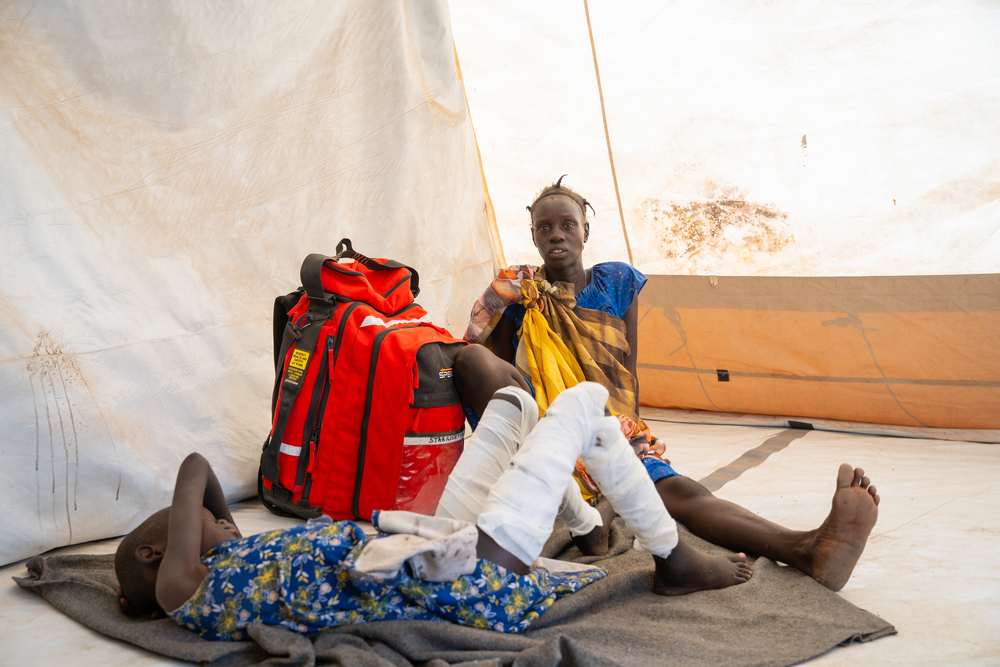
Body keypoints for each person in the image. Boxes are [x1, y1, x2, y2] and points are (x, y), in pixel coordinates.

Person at [452, 177, 881, 591]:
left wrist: (625, 442)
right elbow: (507, 375)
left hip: (609, 422)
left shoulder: (617, 282)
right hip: (545, 428)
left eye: (568, 224)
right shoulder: (516, 292)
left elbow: (625, 375)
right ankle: (592, 504)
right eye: (544, 228)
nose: (557, 235)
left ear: (586, 230)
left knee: (682, 491)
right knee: (472, 362)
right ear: (532, 235)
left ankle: (808, 549)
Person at [115, 383, 752, 641]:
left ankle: (586, 529)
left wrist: (218, 532)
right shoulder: (184, 589)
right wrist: (208, 523)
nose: (224, 523)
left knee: (512, 403)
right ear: (157, 551)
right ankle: (675, 558)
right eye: (203, 524)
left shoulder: (226, 569)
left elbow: (202, 502)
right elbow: (193, 468)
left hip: (447, 543)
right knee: (586, 402)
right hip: (470, 574)